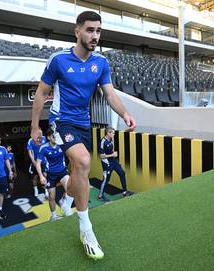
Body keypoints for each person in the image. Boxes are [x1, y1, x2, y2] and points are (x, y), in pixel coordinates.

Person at [31, 11, 136, 260]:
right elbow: (40, 92)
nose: (95, 35)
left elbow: (109, 94)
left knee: (80, 173)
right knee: (84, 162)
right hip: (61, 120)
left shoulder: (101, 63)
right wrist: (35, 127)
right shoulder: (58, 60)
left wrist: (125, 114)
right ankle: (86, 230)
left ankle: (68, 200)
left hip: (83, 124)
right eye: (90, 30)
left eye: (98, 30)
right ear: (77, 31)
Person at [36, 128, 74, 221]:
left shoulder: (61, 145)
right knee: (51, 197)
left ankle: (63, 202)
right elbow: (38, 163)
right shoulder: (43, 148)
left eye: (56, 136)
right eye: (53, 136)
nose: (56, 138)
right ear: (48, 137)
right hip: (50, 174)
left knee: (71, 188)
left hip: (62, 171)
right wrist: (41, 176)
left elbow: (71, 155)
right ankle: (53, 216)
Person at [98, 127, 132, 202]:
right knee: (106, 179)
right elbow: (101, 156)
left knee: (122, 173)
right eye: (113, 133)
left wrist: (116, 160)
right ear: (108, 133)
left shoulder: (110, 139)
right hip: (106, 163)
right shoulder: (102, 142)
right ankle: (100, 195)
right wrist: (112, 155)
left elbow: (111, 151)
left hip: (113, 161)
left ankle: (125, 191)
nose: (114, 134)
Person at [27, 128, 48, 198]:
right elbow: (30, 151)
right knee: (35, 177)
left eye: (40, 132)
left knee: (45, 175)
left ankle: (46, 190)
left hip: (43, 161)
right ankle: (36, 189)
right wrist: (33, 161)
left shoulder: (45, 138)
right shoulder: (31, 140)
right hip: (35, 162)